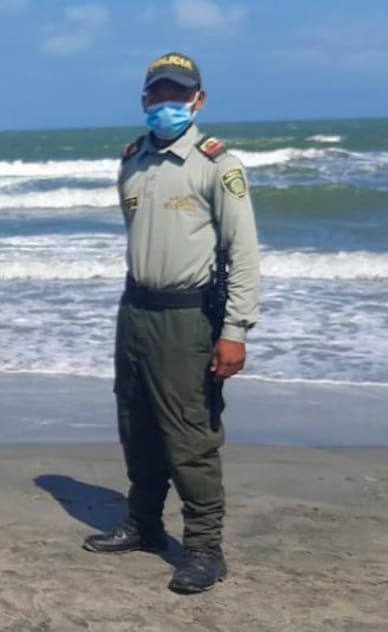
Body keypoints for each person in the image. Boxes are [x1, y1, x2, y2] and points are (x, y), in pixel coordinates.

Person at [83, 53, 261, 594]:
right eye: (158, 94)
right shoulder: (132, 161)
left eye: (178, 95)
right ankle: (145, 525)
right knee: (136, 426)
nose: (167, 104)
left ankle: (206, 548)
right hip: (136, 310)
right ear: (144, 101)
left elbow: (244, 252)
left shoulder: (217, 166)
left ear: (198, 101)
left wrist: (235, 330)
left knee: (190, 435)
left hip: (189, 318)